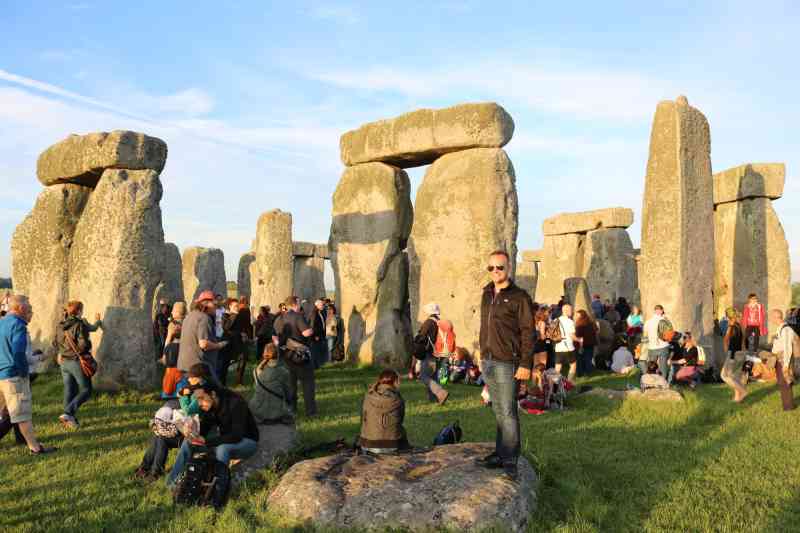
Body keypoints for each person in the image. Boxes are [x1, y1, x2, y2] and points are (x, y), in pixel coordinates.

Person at [475, 250, 535, 479]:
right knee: (498, 409)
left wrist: (525, 363)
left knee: (509, 411)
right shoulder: (487, 293)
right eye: (491, 268)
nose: (495, 271)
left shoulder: (519, 297)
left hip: (507, 361)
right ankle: (500, 453)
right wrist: (480, 353)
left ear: (508, 268)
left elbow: (529, 332)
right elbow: (485, 326)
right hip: (488, 359)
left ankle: (510, 459)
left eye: (500, 267)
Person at [166, 383, 259, 489]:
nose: (199, 403)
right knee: (188, 443)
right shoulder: (210, 406)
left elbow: (236, 435)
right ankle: (171, 484)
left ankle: (218, 489)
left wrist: (207, 441)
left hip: (247, 442)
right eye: (197, 400)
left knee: (222, 449)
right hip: (227, 440)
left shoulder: (235, 403)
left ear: (213, 394)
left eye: (202, 398)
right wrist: (193, 432)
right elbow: (204, 429)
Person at [0, 295, 55, 454]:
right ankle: (35, 448)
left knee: (6, 413)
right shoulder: (18, 326)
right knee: (21, 414)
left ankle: (23, 440)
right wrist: (24, 373)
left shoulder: (2, 322)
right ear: (21, 309)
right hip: (13, 375)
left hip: (1, 374)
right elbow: (18, 354)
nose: (31, 313)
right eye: (30, 309)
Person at [56, 301, 102, 430]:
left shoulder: (60, 325)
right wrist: (87, 347)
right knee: (86, 390)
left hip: (64, 362)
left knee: (69, 390)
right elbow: (84, 344)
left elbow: (55, 342)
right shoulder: (79, 324)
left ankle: (68, 420)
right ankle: (68, 413)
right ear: (79, 311)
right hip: (76, 361)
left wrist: (62, 352)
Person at [272, 296, 317, 417]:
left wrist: (282, 345)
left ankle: (292, 409)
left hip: (286, 355)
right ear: (295, 304)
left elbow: (275, 337)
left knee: (291, 384)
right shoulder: (297, 316)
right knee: (308, 383)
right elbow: (306, 333)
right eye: (298, 303)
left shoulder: (279, 318)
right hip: (300, 355)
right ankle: (310, 412)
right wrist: (311, 330)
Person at [177, 291, 228, 384]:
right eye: (215, 304)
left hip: (184, 364)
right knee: (214, 392)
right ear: (206, 303)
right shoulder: (204, 318)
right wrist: (219, 345)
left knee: (192, 395)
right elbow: (203, 344)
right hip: (199, 367)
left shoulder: (189, 316)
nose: (216, 307)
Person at [358, 369, 409, 454]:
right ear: (395, 382)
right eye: (399, 380)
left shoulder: (367, 396)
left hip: (367, 445)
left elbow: (363, 419)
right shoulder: (398, 399)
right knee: (401, 430)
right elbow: (400, 420)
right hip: (391, 446)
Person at [411, 303, 449, 404]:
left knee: (424, 376)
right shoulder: (440, 322)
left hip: (430, 354)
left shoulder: (429, 322)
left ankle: (441, 393)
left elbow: (421, 338)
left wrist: (415, 343)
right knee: (433, 377)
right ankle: (435, 399)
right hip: (440, 354)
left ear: (429, 312)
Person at [249, 343, 294, 425]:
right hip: (277, 412)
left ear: (264, 354)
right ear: (278, 354)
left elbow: (258, 388)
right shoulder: (283, 372)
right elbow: (288, 394)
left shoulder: (256, 371)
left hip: (257, 410)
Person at [768, 309, 797, 411]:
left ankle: (789, 407)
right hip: (779, 358)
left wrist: (785, 365)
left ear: (777, 317)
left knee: (785, 382)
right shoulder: (780, 328)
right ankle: (787, 405)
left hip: (783, 359)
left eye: (771, 317)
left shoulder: (786, 329)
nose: (770, 319)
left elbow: (787, 347)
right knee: (782, 382)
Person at [721, 307, 748, 402]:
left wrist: (727, 354)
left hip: (732, 353)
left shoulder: (731, 326)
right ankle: (737, 398)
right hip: (741, 353)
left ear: (728, 316)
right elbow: (743, 341)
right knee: (735, 376)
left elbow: (726, 340)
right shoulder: (740, 326)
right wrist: (744, 354)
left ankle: (742, 391)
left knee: (724, 375)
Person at [161, 302, 187, 398]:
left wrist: (164, 353)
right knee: (182, 374)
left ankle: (169, 393)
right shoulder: (187, 321)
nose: (171, 312)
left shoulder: (173, 324)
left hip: (173, 350)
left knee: (171, 373)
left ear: (177, 312)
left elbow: (168, 338)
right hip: (184, 349)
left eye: (173, 310)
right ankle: (182, 392)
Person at [218, 299, 245, 386]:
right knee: (225, 364)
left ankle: (239, 381)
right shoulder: (225, 315)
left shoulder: (239, 316)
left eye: (238, 306)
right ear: (230, 307)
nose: (237, 308)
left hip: (238, 341)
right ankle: (222, 382)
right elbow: (226, 327)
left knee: (242, 359)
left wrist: (243, 334)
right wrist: (233, 315)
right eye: (235, 306)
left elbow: (241, 328)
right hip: (228, 343)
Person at [643, 305, 671, 378]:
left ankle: (651, 382)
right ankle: (663, 383)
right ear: (661, 311)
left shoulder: (648, 322)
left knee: (652, 366)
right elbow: (670, 334)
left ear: (654, 311)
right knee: (663, 366)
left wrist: (645, 347)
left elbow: (645, 336)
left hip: (652, 347)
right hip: (663, 346)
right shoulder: (665, 321)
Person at [554, 304, 578, 381]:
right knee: (573, 365)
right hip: (568, 347)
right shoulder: (570, 322)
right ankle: (569, 384)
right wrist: (579, 340)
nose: (572, 312)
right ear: (566, 311)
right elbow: (572, 336)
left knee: (557, 367)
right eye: (571, 310)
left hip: (558, 347)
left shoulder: (555, 320)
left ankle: (554, 386)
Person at [233, 296, 253, 386]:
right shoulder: (245, 310)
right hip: (243, 335)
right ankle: (239, 380)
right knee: (242, 359)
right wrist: (250, 336)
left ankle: (238, 378)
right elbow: (248, 324)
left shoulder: (238, 310)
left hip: (237, 335)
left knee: (240, 358)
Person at [574, 310, 597, 377]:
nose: (576, 316)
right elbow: (596, 331)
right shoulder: (591, 323)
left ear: (581, 315)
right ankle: (588, 373)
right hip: (590, 344)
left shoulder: (579, 324)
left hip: (582, 344)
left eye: (578, 315)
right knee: (588, 359)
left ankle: (580, 373)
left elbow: (579, 335)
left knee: (580, 359)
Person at [307, 299, 328, 369]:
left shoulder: (319, 312)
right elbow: (312, 325)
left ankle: (317, 365)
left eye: (323, 305)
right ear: (317, 305)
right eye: (322, 305)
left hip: (320, 335)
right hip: (315, 336)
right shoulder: (314, 313)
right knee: (314, 351)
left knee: (318, 351)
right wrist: (315, 335)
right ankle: (314, 366)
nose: (323, 306)